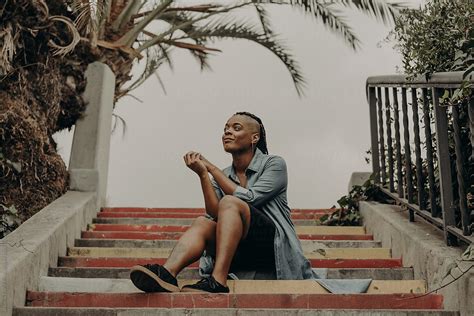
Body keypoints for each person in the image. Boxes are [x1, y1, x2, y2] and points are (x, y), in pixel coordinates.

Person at [129, 111, 314, 294]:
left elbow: (251, 198)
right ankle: (167, 274)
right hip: (237, 249)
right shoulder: (222, 175)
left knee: (230, 202)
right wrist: (203, 174)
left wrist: (211, 168)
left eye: (236, 128)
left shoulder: (274, 164)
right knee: (203, 222)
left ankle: (218, 281)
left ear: (254, 137)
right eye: (225, 128)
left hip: (271, 249)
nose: (227, 132)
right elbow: (215, 214)